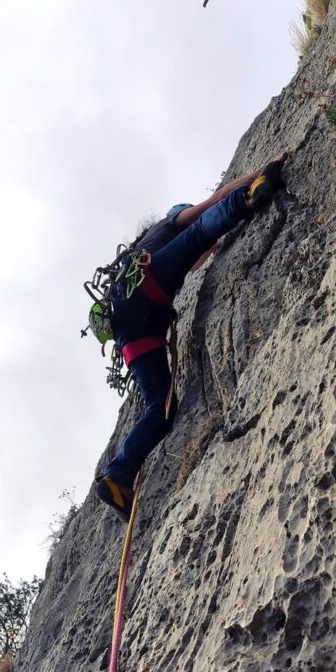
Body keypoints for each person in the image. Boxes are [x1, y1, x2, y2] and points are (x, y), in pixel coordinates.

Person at [95, 153, 288, 520]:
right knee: (202, 230)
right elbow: (210, 208)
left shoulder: (145, 250)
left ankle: (118, 476)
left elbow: (195, 257)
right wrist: (257, 174)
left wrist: (209, 247)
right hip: (145, 290)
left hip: (132, 333)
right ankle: (252, 195)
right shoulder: (169, 224)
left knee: (161, 409)